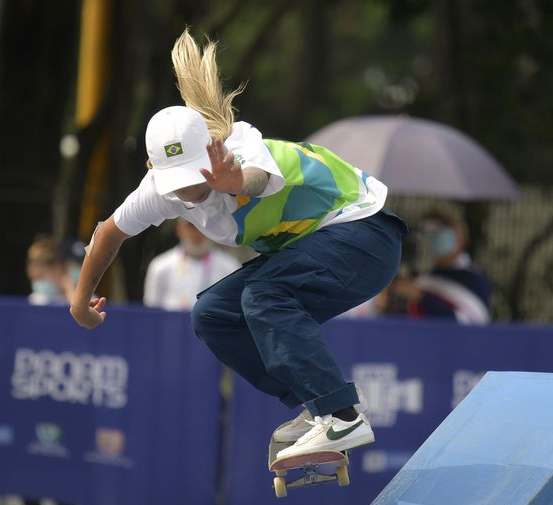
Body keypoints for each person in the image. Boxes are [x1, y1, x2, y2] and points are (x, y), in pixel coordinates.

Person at [69, 30, 408, 461]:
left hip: (366, 235)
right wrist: (80, 301)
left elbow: (260, 179)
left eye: (196, 176)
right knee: (212, 315)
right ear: (155, 168)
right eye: (177, 182)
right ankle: (317, 404)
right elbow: (107, 235)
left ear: (210, 148)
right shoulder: (157, 188)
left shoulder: (241, 148)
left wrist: (235, 181)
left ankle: (341, 416)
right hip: (325, 249)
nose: (189, 191)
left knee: (263, 296)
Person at [391, 209, 492, 324]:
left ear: (460, 237)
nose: (434, 238)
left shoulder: (475, 281)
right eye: (430, 233)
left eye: (440, 232)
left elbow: (465, 322)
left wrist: (420, 297)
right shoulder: (427, 279)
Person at [143, 218, 241, 310]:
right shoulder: (160, 266)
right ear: (179, 229)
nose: (198, 232)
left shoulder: (230, 267)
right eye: (191, 225)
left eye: (203, 225)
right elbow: (152, 312)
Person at [26, 234, 73, 305]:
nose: (38, 284)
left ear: (58, 268)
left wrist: (69, 288)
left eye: (41, 277)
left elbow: (79, 309)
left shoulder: (90, 298)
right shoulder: (37, 299)